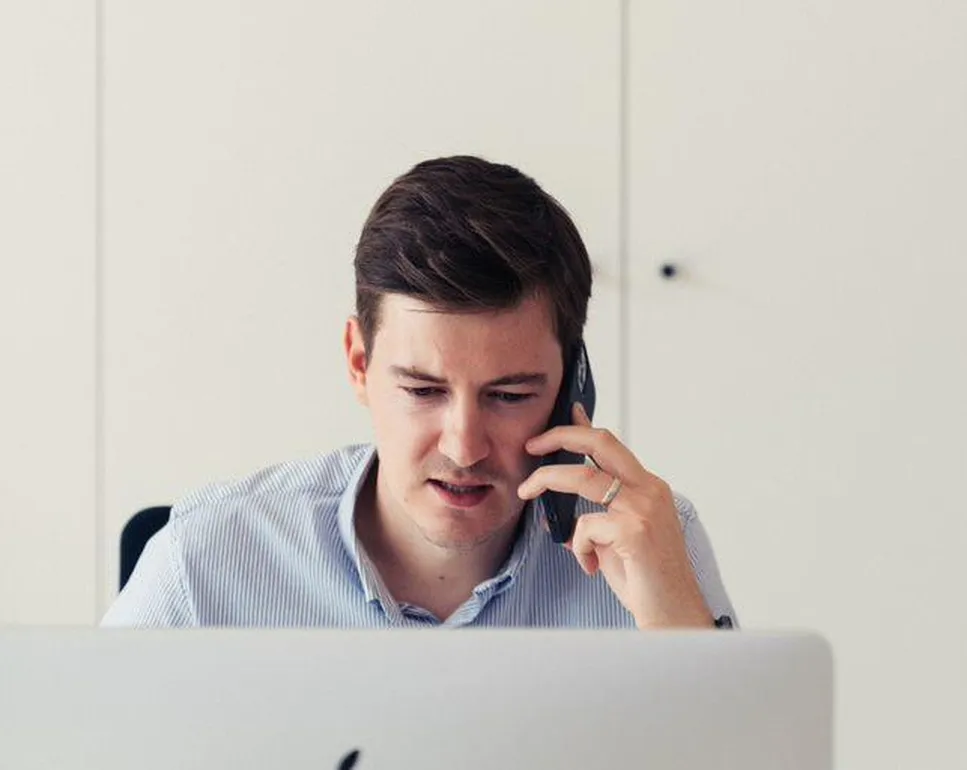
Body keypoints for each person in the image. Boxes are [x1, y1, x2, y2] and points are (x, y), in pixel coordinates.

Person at [102, 156, 737, 629]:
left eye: (509, 395)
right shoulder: (206, 563)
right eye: (423, 390)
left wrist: (678, 630)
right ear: (359, 362)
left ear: (573, 385)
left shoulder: (653, 545)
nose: (464, 447)